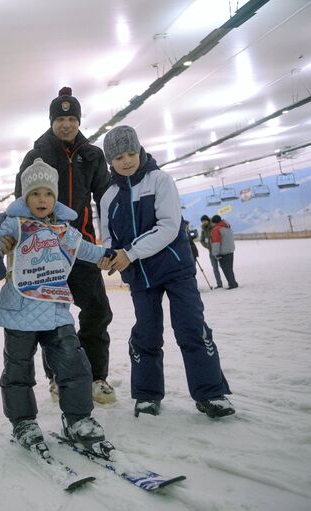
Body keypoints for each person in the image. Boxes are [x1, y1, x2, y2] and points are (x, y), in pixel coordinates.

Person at [98, 125, 235, 419]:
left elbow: (169, 227)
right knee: (146, 334)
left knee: (191, 327)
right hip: (140, 276)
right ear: (111, 161)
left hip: (175, 269)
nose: (126, 161)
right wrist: (110, 256)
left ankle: (211, 393)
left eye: (131, 153)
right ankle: (147, 396)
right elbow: (108, 237)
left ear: (140, 150)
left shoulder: (159, 181)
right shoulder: (109, 197)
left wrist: (129, 253)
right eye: (119, 156)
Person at [0, 158, 112, 449]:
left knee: (74, 362)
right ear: (25, 197)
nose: (42, 199)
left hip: (55, 309)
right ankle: (24, 421)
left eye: (48, 194)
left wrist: (108, 255)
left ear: (55, 197)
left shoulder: (63, 229)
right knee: (18, 369)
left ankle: (78, 418)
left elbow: (85, 249)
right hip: (19, 310)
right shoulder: (15, 225)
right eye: (35, 194)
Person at [15, 87, 115, 405]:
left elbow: (106, 199)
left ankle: (97, 377)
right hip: (47, 251)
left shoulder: (92, 155)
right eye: (61, 119)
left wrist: (112, 241)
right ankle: (58, 377)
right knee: (52, 316)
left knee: (97, 310)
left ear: (79, 121)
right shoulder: (37, 155)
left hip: (82, 246)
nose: (67, 124)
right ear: (52, 121)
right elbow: (23, 199)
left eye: (72, 118)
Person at [210, 215, 238, 289]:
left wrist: (215, 253)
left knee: (226, 269)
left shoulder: (216, 229)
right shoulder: (227, 227)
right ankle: (233, 282)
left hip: (223, 252)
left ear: (214, 222)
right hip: (230, 250)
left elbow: (216, 242)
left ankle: (232, 284)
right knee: (230, 268)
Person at [199, 215, 224, 288]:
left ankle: (230, 281)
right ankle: (219, 284)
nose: (204, 222)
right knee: (215, 268)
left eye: (205, 220)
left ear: (208, 220)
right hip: (211, 252)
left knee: (224, 267)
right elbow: (201, 240)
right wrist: (208, 246)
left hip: (219, 251)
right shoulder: (204, 230)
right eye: (202, 221)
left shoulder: (214, 227)